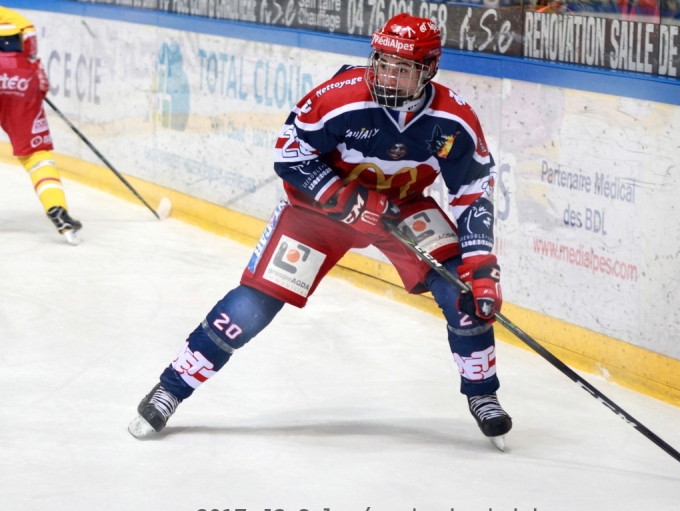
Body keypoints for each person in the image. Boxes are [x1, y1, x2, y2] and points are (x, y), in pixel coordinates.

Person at [128, 13, 512, 449]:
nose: (388, 74)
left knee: (463, 293)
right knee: (252, 306)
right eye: (383, 62)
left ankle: (484, 396)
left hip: (401, 209)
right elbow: (289, 154)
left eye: (402, 68)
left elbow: (473, 190)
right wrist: (344, 200)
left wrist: (481, 263)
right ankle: (171, 388)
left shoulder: (453, 119)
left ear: (428, 70)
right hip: (320, 213)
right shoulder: (340, 98)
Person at [0, 6, 82, 245]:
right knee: (37, 157)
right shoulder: (18, 20)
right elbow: (38, 76)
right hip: (22, 77)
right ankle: (58, 211)